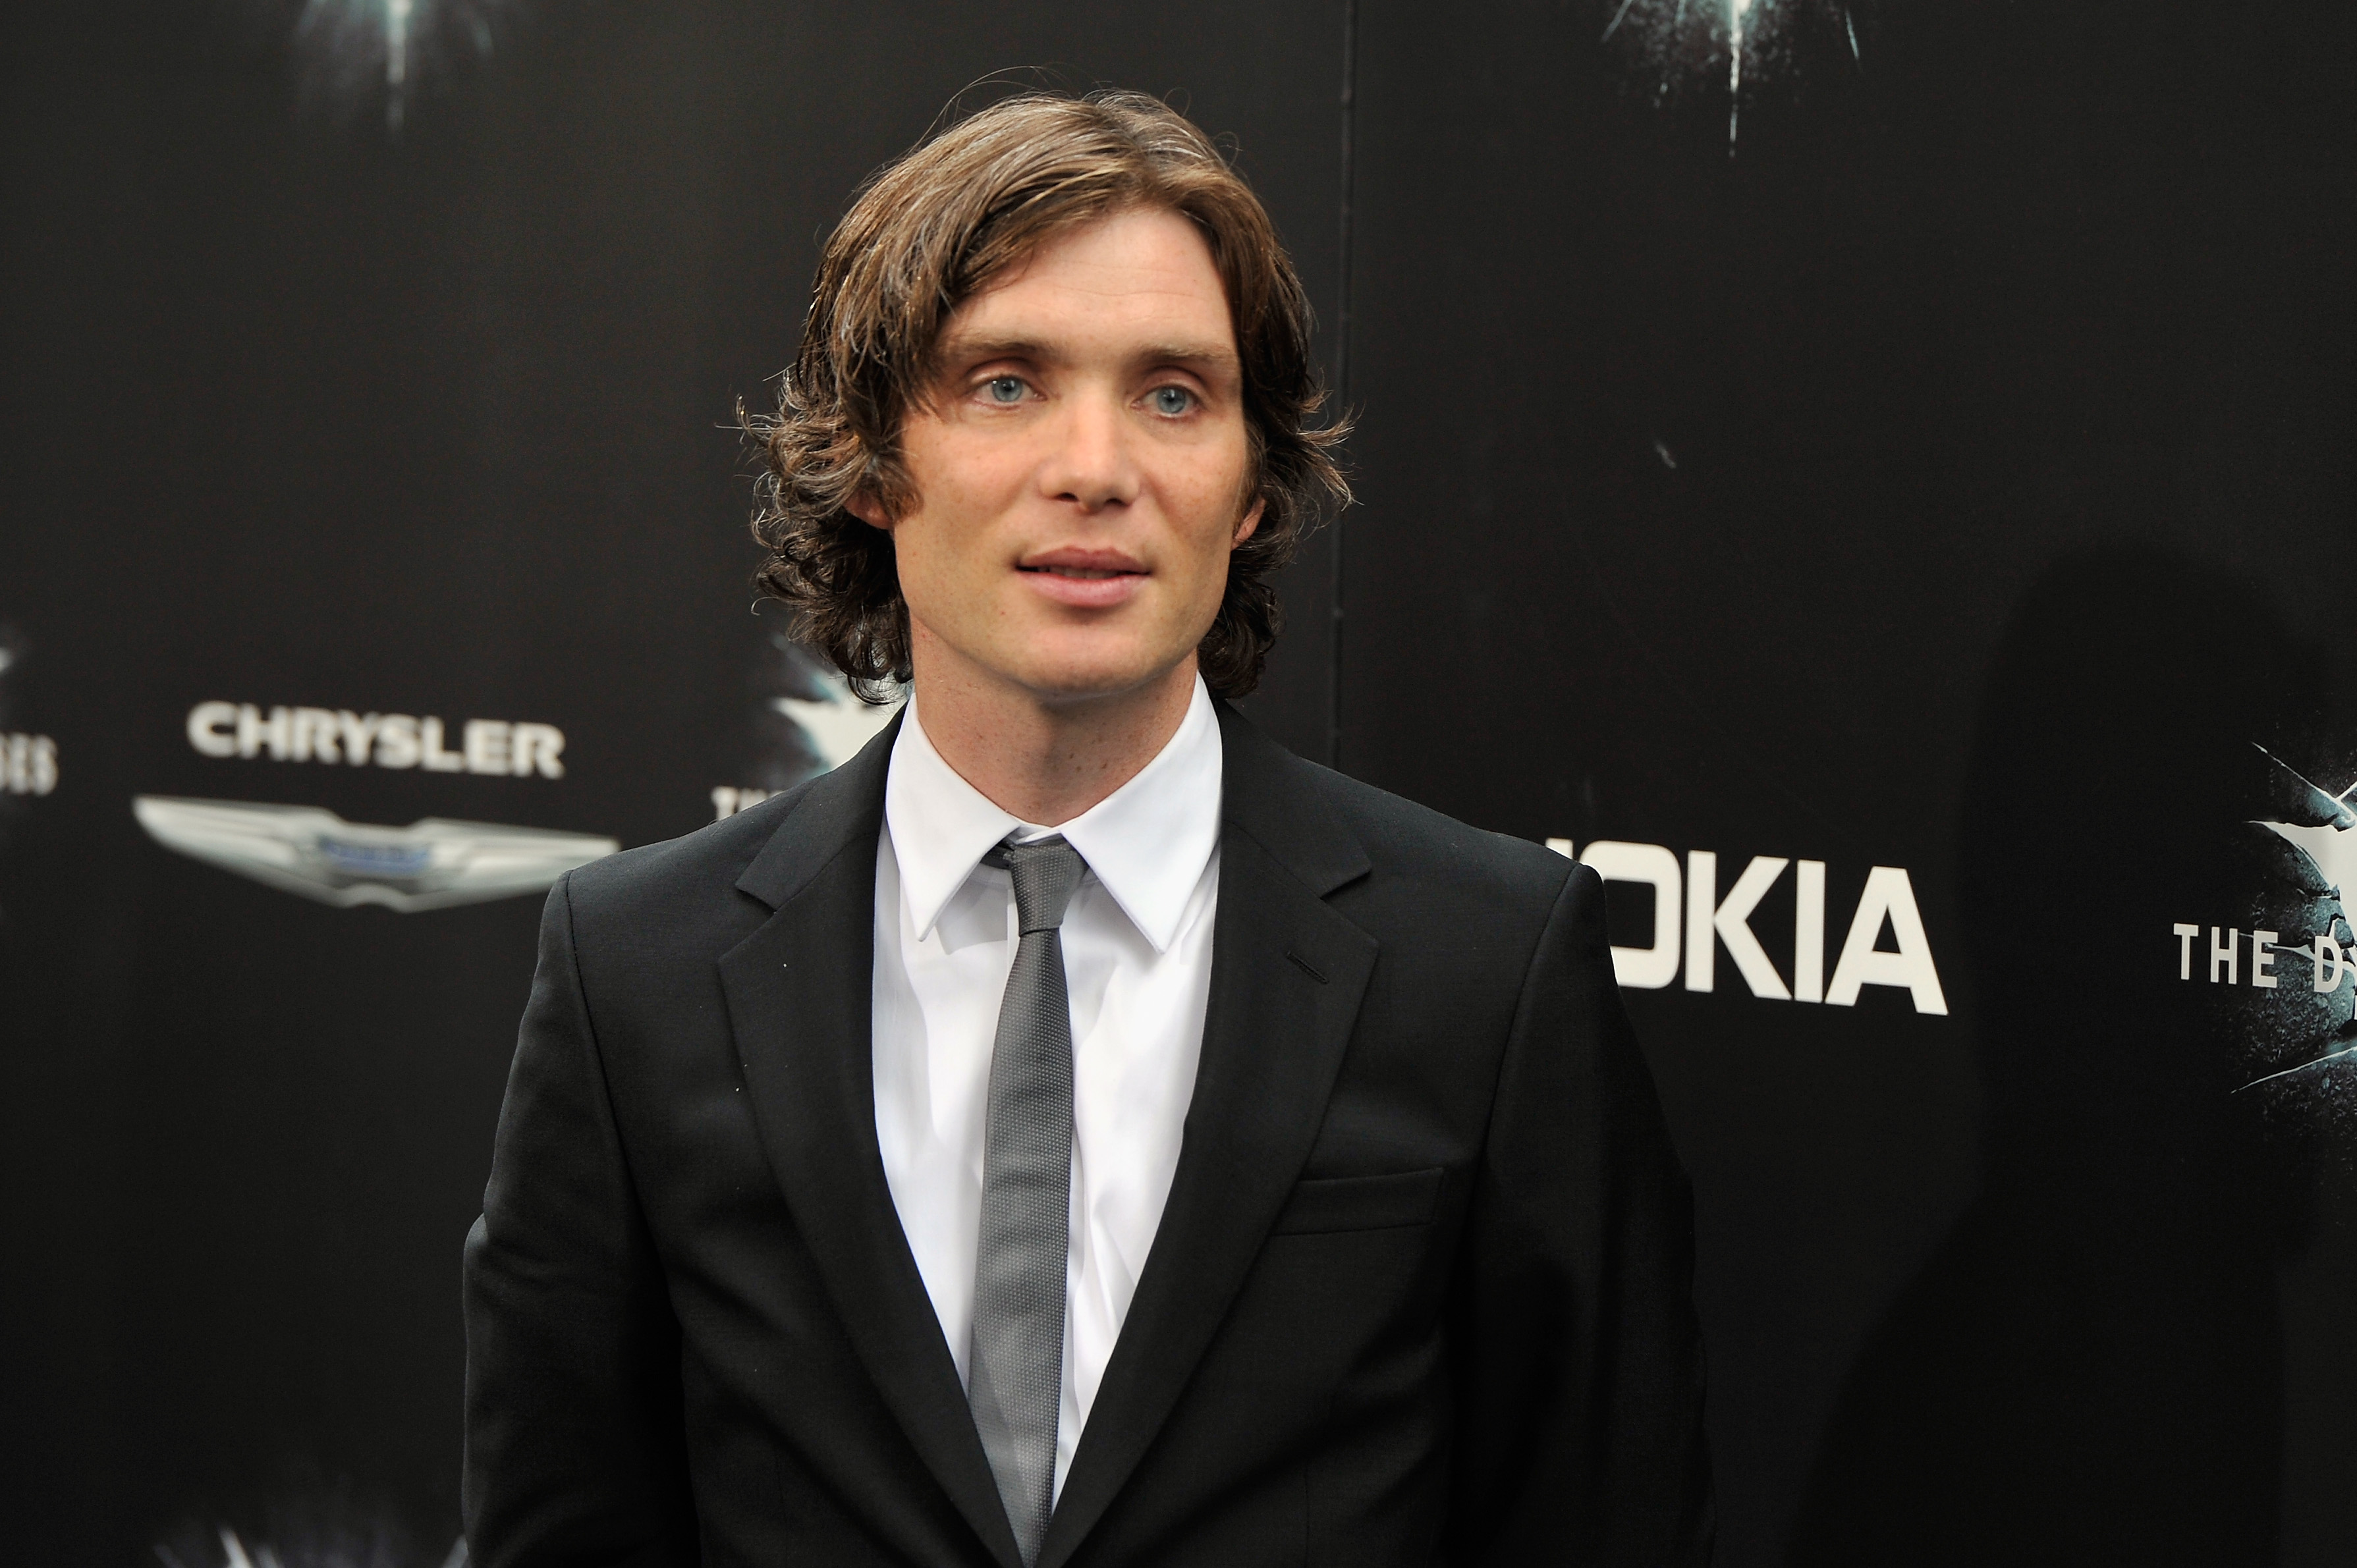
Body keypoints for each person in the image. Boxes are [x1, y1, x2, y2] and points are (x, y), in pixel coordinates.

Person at [462, 90, 1711, 1568]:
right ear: (866, 462)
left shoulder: (1485, 966)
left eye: (1173, 393)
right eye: (1005, 383)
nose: (1096, 467)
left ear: (1252, 486)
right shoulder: (635, 972)